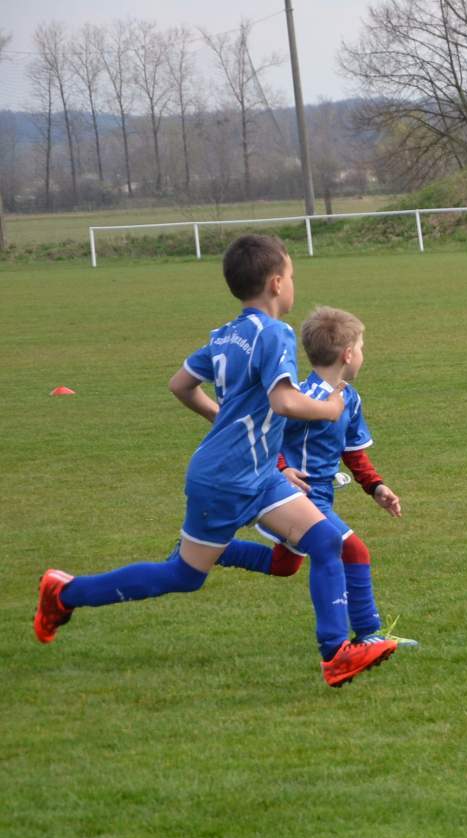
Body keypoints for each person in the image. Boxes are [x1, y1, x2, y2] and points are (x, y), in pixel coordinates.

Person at [32, 234, 398, 688]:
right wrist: (330, 408)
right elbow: (284, 402)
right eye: (291, 276)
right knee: (184, 576)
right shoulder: (275, 333)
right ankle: (65, 593)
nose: (292, 285)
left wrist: (223, 420)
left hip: (261, 474)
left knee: (326, 542)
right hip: (226, 478)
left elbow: (180, 385)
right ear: (277, 283)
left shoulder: (226, 335)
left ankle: (336, 653)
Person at [213, 305, 419, 652]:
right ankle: (368, 632)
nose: (363, 355)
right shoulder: (302, 399)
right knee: (354, 551)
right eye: (362, 348)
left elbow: (352, 450)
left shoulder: (349, 398)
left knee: (284, 565)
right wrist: (282, 468)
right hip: (297, 495)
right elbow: (268, 435)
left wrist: (376, 486)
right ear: (348, 354)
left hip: (322, 493)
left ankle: (209, 549)